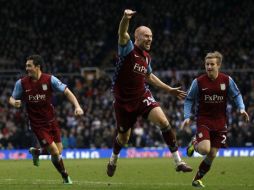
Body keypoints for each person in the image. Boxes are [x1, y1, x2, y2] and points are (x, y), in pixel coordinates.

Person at [106, 9, 193, 177]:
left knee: (164, 122)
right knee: (123, 138)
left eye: (151, 36)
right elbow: (122, 32)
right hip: (123, 102)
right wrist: (125, 17)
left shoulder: (146, 58)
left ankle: (178, 162)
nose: (150, 39)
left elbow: (149, 76)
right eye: (146, 35)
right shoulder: (128, 49)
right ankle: (113, 160)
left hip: (141, 96)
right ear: (136, 37)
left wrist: (169, 89)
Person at [9, 55, 84, 184]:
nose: (27, 68)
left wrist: (77, 106)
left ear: (37, 67)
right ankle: (65, 176)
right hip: (37, 124)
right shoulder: (21, 83)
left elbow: (67, 91)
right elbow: (11, 98)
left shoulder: (50, 79)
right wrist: (14, 102)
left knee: (59, 151)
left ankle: (37, 152)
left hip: (51, 121)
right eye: (26, 66)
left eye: (29, 66)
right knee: (55, 152)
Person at [180, 51, 249, 188]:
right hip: (204, 120)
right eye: (207, 64)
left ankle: (197, 179)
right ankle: (195, 142)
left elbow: (236, 95)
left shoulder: (226, 80)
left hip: (221, 122)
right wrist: (187, 117)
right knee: (205, 149)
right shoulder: (198, 82)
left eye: (212, 64)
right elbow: (189, 100)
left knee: (212, 154)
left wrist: (241, 108)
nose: (209, 67)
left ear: (219, 65)